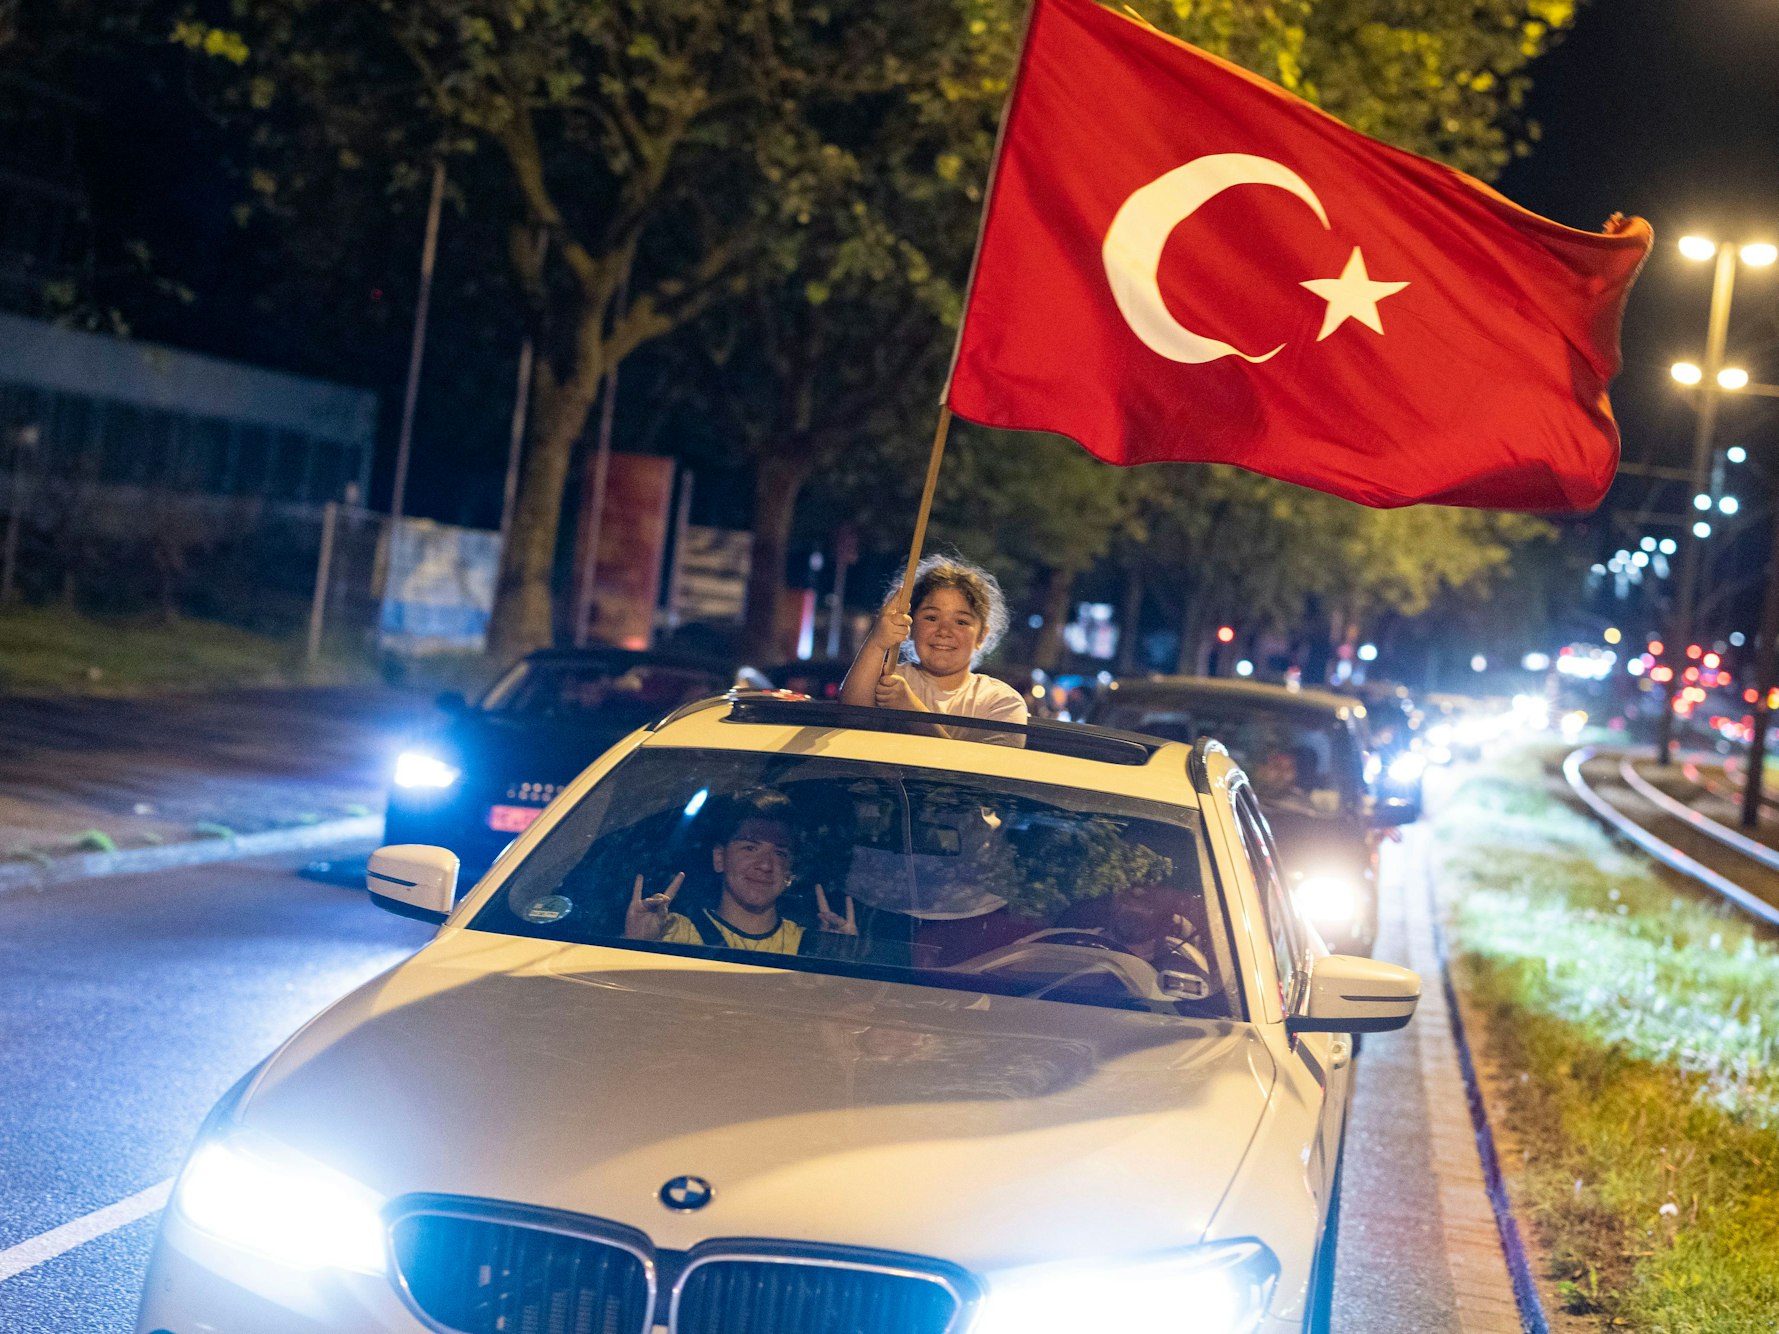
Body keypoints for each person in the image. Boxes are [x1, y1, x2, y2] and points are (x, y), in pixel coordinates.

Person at [623, 788, 855, 955]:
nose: (765, 865)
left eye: (779, 853)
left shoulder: (811, 947)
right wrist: (637, 942)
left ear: (789, 871)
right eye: (750, 848)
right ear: (719, 858)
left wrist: (840, 961)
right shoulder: (674, 933)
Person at [839, 555, 1029, 738]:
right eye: (931, 618)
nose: (944, 631)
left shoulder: (1001, 702)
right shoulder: (886, 680)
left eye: (961, 622)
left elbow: (981, 762)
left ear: (982, 636)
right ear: (910, 626)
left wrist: (911, 711)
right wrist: (877, 643)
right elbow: (850, 718)